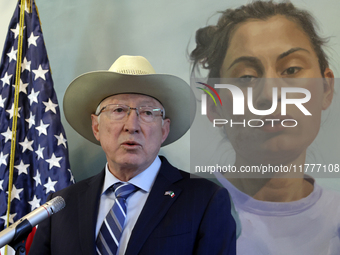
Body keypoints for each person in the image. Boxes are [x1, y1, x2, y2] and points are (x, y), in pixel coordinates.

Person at [28, 55, 236, 255]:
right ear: (96, 127)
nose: (132, 126)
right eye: (118, 110)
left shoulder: (205, 200)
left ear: (164, 130)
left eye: (147, 113)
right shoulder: (60, 205)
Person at [190, 1, 340, 254]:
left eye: (291, 69)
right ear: (215, 106)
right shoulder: (176, 211)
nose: (270, 94)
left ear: (326, 88)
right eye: (247, 76)